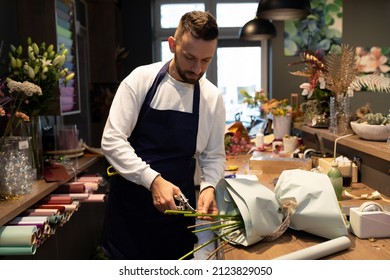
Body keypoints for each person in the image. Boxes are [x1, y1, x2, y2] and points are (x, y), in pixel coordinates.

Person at [100, 11, 226, 260]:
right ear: (172, 45)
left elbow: (214, 155)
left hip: (177, 220)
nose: (197, 68)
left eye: (206, 60)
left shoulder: (211, 97)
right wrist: (154, 181)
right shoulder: (140, 80)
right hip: (130, 215)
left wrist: (209, 187)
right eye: (190, 57)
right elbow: (112, 141)